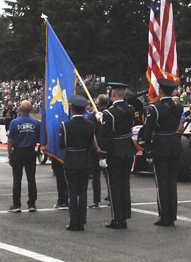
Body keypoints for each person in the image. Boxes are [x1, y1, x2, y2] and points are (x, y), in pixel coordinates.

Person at [144, 79, 184, 227]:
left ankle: (164, 216)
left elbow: (149, 130)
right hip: (174, 143)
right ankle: (172, 215)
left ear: (160, 91)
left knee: (162, 183)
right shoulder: (178, 106)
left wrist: (147, 150)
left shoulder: (155, 108)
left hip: (161, 145)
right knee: (171, 182)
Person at [100, 82, 137, 229]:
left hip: (115, 149)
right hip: (127, 147)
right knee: (124, 184)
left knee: (114, 185)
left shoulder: (109, 113)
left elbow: (106, 136)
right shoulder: (130, 109)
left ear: (113, 94)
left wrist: (102, 155)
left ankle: (117, 218)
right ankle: (125, 215)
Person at [59, 95, 99, 231]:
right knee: (82, 192)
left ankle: (73, 221)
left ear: (72, 108)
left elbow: (61, 145)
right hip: (84, 160)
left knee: (72, 192)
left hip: (71, 160)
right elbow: (90, 145)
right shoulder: (90, 125)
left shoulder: (65, 125)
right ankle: (81, 221)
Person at [7, 100, 41, 213]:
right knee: (31, 178)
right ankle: (32, 203)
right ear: (30, 110)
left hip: (18, 151)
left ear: (20, 109)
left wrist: (10, 154)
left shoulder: (14, 122)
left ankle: (16, 204)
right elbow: (39, 138)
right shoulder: (36, 123)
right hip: (30, 151)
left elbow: (10, 140)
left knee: (17, 178)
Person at [87, 94, 109, 208]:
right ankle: (111, 196)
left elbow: (91, 133)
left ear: (97, 103)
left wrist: (96, 148)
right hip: (108, 148)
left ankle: (96, 200)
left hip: (96, 148)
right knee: (109, 174)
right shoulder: (110, 114)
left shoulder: (93, 115)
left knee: (96, 175)